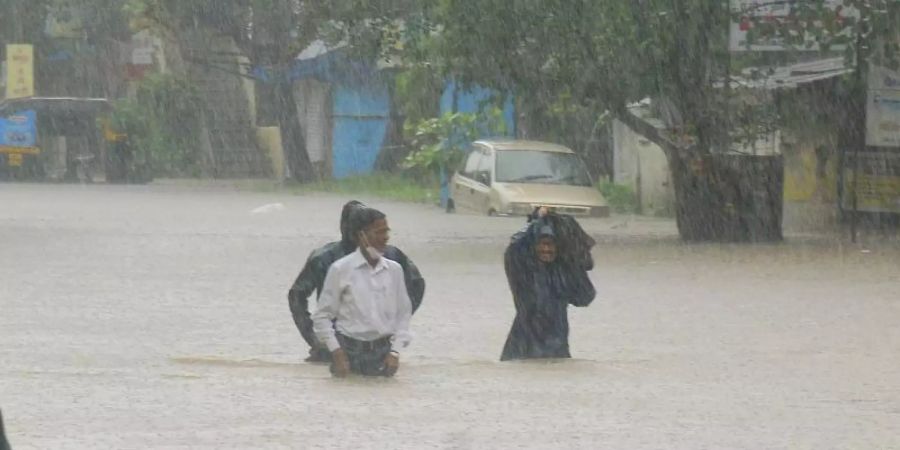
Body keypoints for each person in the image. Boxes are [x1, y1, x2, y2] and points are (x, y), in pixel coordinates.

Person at [288, 200, 424, 362]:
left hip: (379, 349)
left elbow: (416, 286)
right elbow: (297, 295)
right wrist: (315, 338)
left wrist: (391, 327)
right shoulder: (324, 259)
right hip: (337, 345)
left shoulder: (391, 257)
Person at [313, 207, 413, 377]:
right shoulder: (340, 269)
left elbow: (403, 314)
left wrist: (395, 352)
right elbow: (322, 316)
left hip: (383, 354)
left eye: (386, 232)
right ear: (362, 235)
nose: (385, 238)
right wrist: (336, 352)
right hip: (348, 352)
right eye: (378, 232)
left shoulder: (395, 270)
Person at [500, 207, 596, 361]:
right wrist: (536, 220)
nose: (546, 249)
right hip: (523, 345)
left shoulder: (563, 272)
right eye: (542, 244)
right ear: (533, 246)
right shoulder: (523, 271)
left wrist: (572, 259)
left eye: (550, 245)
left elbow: (585, 297)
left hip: (557, 345)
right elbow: (514, 247)